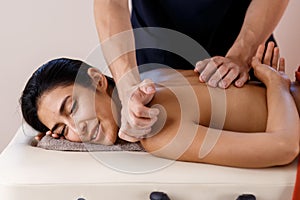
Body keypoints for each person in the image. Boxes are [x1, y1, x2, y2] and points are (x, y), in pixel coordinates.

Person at [20, 44, 299, 168]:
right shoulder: (150, 75)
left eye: (72, 108)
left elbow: (285, 147)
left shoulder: (157, 131)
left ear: (97, 80)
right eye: (60, 128)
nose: (76, 129)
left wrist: (276, 84)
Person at [93, 0, 289, 141]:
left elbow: (283, 145)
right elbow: (110, 3)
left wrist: (242, 55)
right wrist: (127, 84)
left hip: (243, 60)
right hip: (157, 62)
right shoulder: (155, 114)